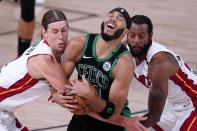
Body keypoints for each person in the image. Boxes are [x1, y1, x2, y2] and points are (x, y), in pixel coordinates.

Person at [52, 7, 147, 131]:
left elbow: (112, 113)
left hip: (112, 124)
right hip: (82, 117)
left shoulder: (124, 63)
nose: (113, 18)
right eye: (111, 15)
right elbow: (58, 81)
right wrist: (56, 94)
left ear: (125, 31)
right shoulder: (78, 44)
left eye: (119, 19)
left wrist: (91, 97)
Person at [0, 9, 69, 131]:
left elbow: (57, 84)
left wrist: (55, 92)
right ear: (44, 32)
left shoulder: (49, 47)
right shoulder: (44, 59)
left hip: (4, 110)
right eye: (55, 31)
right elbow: (71, 95)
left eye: (64, 30)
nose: (61, 36)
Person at [126, 15, 197, 131]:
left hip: (193, 103)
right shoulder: (124, 52)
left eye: (141, 36)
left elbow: (154, 116)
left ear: (150, 36)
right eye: (132, 35)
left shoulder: (159, 63)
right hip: (171, 105)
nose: (136, 40)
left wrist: (125, 125)